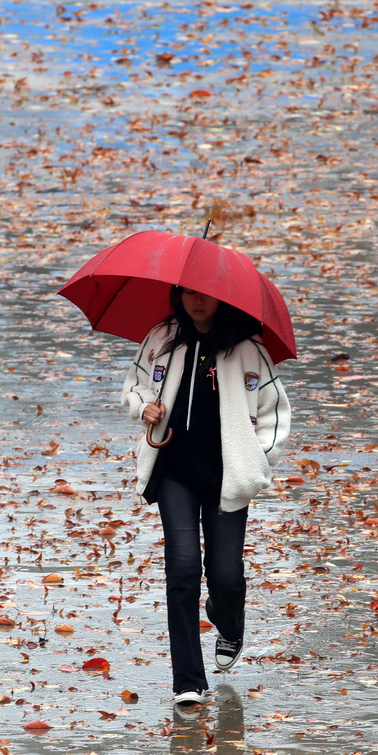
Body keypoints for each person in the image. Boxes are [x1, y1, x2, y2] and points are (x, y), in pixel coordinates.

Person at [122, 285, 290, 712]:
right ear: (179, 294)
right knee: (181, 567)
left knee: (226, 576)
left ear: (223, 298)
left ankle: (229, 623)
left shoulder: (248, 350)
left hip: (226, 477)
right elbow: (135, 385)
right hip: (174, 471)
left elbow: (274, 412)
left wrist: (257, 460)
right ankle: (188, 681)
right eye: (190, 294)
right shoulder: (162, 337)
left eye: (208, 294)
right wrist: (145, 408)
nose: (199, 301)